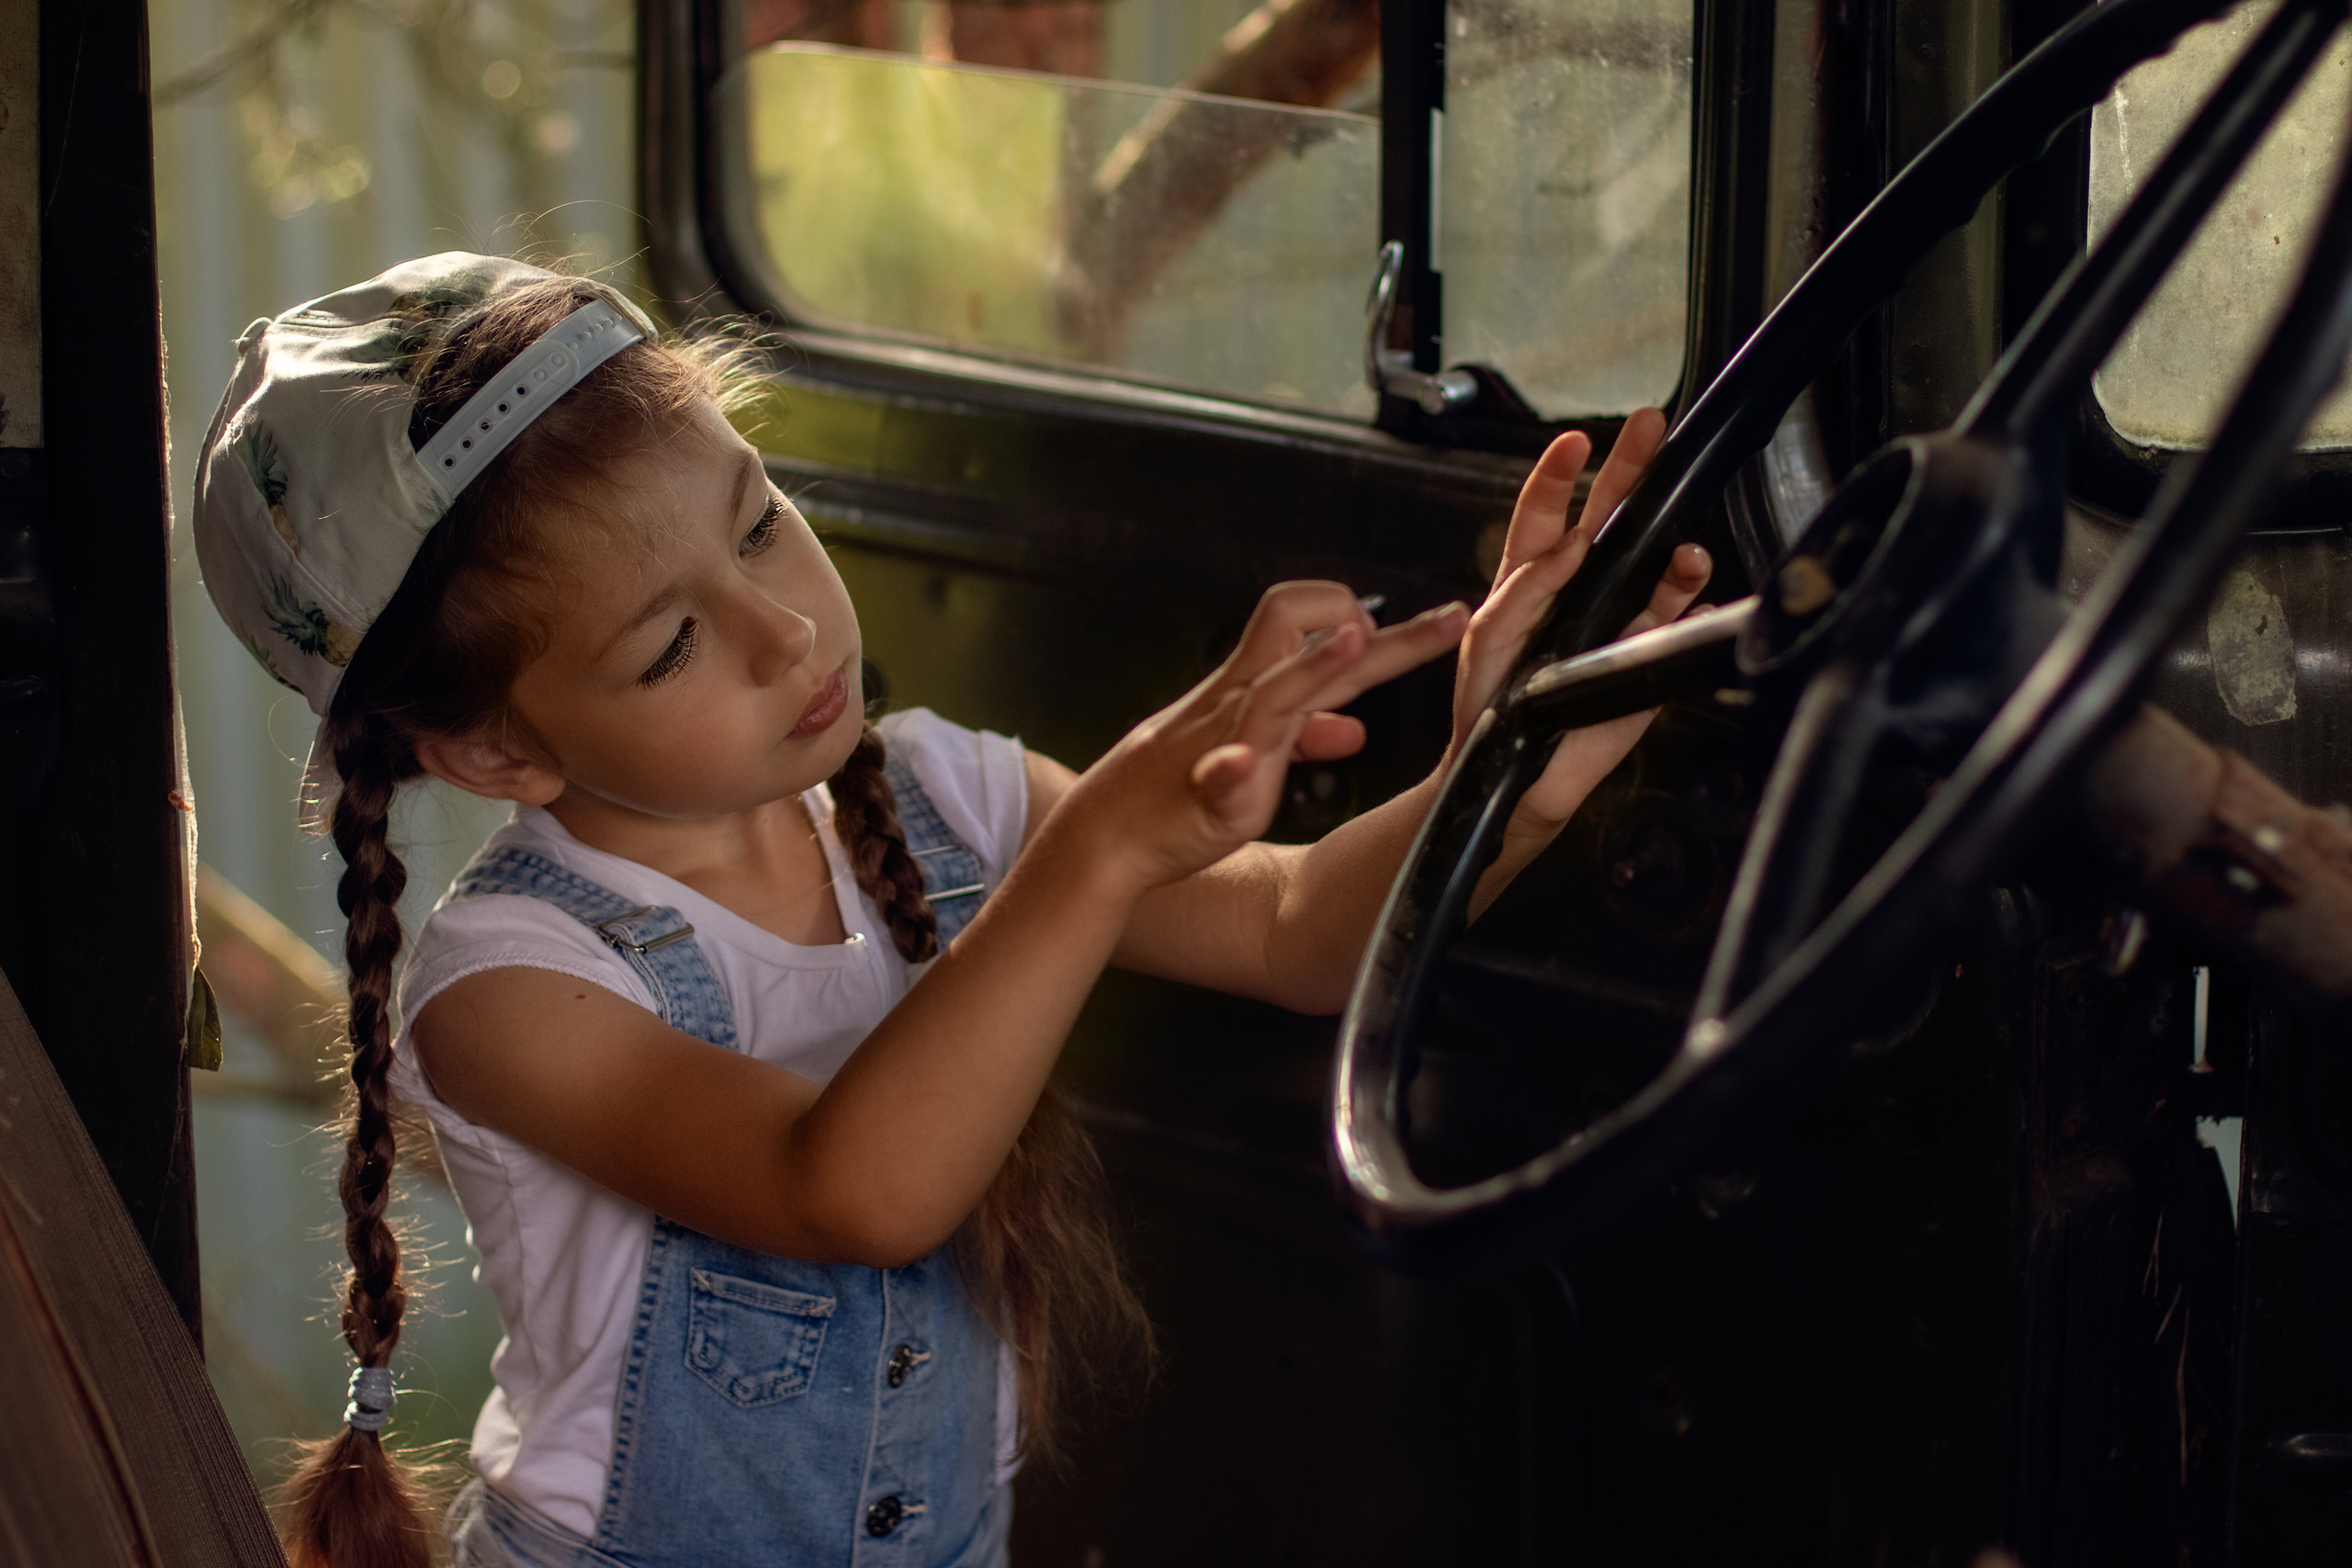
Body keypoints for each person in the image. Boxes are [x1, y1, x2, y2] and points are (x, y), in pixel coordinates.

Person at [191, 254, 1711, 1568]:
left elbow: (1303, 930)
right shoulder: (506, 985)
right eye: (670, 648)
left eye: (763, 521)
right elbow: (845, 1192)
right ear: (494, 749)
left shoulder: (938, 794)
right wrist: (1100, 845)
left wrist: (1518, 755)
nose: (786, 631)